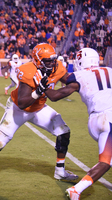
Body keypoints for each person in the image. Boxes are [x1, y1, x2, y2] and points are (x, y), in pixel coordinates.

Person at [0, 43, 78, 183]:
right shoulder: (28, 71)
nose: (52, 63)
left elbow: (69, 81)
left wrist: (81, 82)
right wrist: (38, 91)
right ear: (38, 60)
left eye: (53, 59)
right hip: (18, 109)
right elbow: (22, 102)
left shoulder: (57, 66)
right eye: (47, 61)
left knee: (63, 131)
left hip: (38, 108)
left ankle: (60, 171)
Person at [44, 48, 112, 200]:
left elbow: (55, 95)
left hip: (94, 121)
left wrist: (44, 86)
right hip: (110, 119)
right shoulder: (109, 70)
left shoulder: (79, 76)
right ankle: (77, 190)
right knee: (106, 162)